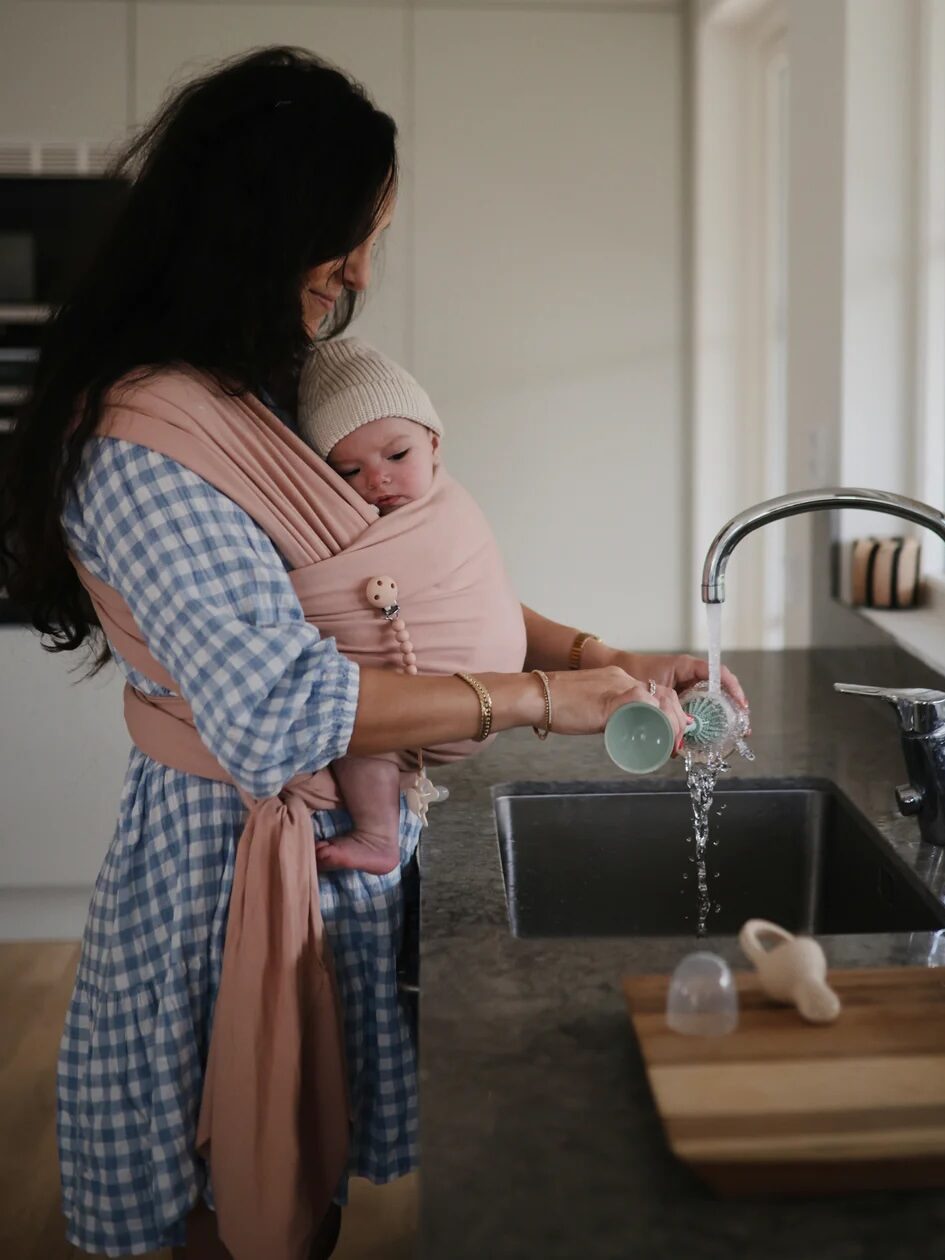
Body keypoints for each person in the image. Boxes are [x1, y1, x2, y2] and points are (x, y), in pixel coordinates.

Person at [0, 46, 745, 1260]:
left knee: (305, 1188)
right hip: (225, 870)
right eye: (341, 240)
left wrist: (619, 658)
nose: (354, 273)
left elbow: (424, 590)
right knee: (225, 1188)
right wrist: (544, 698)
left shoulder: (264, 389)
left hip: (332, 855)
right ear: (251, 229)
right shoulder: (143, 440)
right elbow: (279, 708)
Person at [296, 334, 523, 877]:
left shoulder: (453, 511)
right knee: (358, 728)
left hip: (486, 696)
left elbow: (479, 587)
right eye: (348, 472)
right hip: (399, 703)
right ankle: (378, 834)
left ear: (435, 445)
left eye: (397, 455)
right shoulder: (341, 526)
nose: (376, 478)